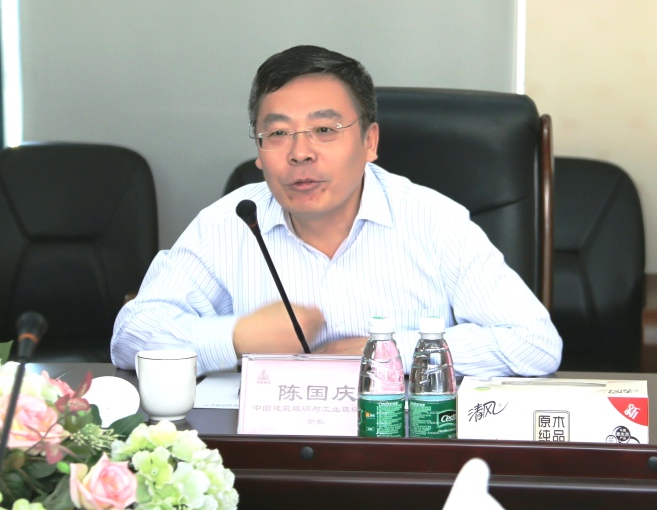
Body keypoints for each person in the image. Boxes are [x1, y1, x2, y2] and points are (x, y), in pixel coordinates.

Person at [111, 45, 562, 377]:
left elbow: (535, 344)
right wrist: (235, 338)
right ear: (259, 151)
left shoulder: (433, 221)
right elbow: (131, 337)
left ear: (369, 142)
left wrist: (386, 352)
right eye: (278, 133)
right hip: (269, 450)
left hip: (399, 448)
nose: (300, 153)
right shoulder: (227, 224)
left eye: (325, 129)